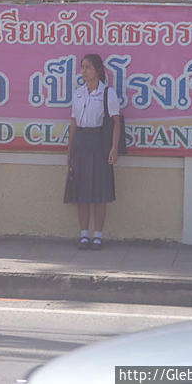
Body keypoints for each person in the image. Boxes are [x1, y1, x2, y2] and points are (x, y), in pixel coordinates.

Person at [65, 53, 120, 251]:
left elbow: (116, 122)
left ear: (97, 70)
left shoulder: (108, 93)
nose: (84, 71)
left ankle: (98, 234)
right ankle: (84, 234)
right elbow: (73, 123)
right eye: (82, 67)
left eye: (88, 67)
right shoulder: (78, 93)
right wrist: (69, 151)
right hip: (81, 141)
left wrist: (114, 148)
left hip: (99, 143)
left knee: (99, 190)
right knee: (81, 191)